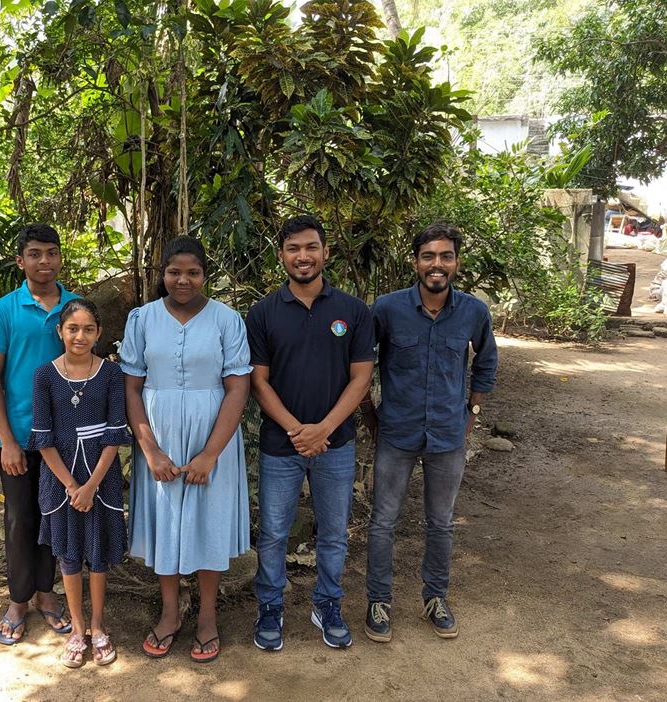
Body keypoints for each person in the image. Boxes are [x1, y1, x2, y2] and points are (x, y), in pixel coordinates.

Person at [361, 222, 498, 643]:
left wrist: (471, 411)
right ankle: (378, 601)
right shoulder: (387, 308)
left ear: (456, 262)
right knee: (383, 521)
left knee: (441, 522)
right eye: (428, 256)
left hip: (448, 436)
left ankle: (435, 597)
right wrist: (371, 418)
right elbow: (361, 366)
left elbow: (486, 363)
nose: (437, 265)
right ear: (415, 261)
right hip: (396, 433)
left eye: (445, 256)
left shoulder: (474, 312)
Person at [120, 235, 252, 663]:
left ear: (204, 276)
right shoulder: (141, 319)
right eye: (174, 271)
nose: (183, 280)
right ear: (162, 274)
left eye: (193, 272)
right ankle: (171, 612)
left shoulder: (227, 320)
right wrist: (151, 450)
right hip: (158, 437)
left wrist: (210, 453)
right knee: (165, 522)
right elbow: (132, 387)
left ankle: (208, 615)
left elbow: (237, 387)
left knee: (208, 521)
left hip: (213, 434)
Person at [246, 215, 375, 652]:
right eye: (294, 249)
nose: (303, 256)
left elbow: (361, 379)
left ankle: (328, 604)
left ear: (325, 252)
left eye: (311, 247)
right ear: (281, 255)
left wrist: (323, 429)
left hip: (335, 445)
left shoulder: (353, 311)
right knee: (274, 533)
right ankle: (270, 607)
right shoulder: (263, 312)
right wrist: (297, 430)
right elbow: (258, 382)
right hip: (280, 445)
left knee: (335, 532)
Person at [0, 224, 78, 645]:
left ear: (60, 258)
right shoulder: (4, 309)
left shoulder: (76, 307)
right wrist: (6, 439)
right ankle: (17, 600)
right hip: (19, 438)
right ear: (21, 261)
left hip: (65, 440)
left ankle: (46, 593)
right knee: (20, 519)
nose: (45, 261)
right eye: (35, 254)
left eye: (51, 253)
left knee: (56, 517)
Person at [26, 299, 129, 668]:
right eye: (73, 328)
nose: (80, 336)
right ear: (60, 331)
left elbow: (115, 433)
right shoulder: (44, 375)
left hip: (102, 475)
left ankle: (99, 625)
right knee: (68, 554)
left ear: (98, 333)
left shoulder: (111, 374)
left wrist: (91, 486)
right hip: (60, 478)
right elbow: (43, 437)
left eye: (88, 329)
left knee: (98, 552)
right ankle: (77, 629)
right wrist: (73, 486)